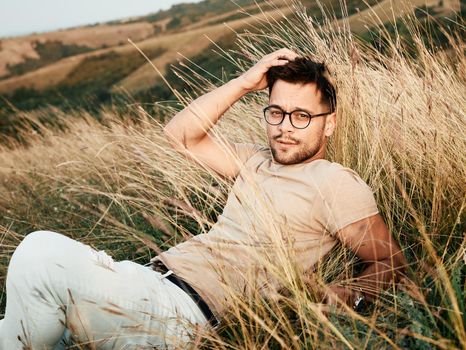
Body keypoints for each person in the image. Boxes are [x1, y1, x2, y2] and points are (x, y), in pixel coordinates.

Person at [0, 49, 407, 349]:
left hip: (182, 314)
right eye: (276, 112)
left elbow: (390, 259)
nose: (285, 127)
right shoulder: (255, 161)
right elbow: (180, 135)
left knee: (40, 253)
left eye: (301, 116)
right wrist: (245, 81)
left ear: (329, 124)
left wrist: (352, 295)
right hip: (148, 283)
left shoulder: (333, 181)